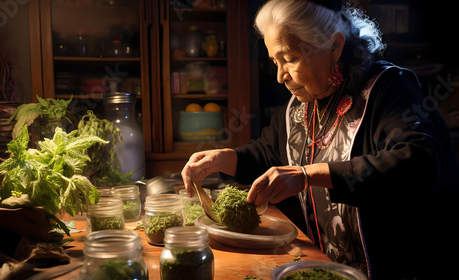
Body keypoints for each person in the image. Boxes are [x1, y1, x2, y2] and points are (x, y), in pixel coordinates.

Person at [181, 0, 459, 279]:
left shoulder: (389, 88)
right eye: (275, 62)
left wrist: (308, 175)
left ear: (334, 47)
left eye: (289, 59)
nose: (280, 77)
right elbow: (267, 153)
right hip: (329, 269)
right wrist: (223, 158)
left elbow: (417, 162)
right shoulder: (302, 105)